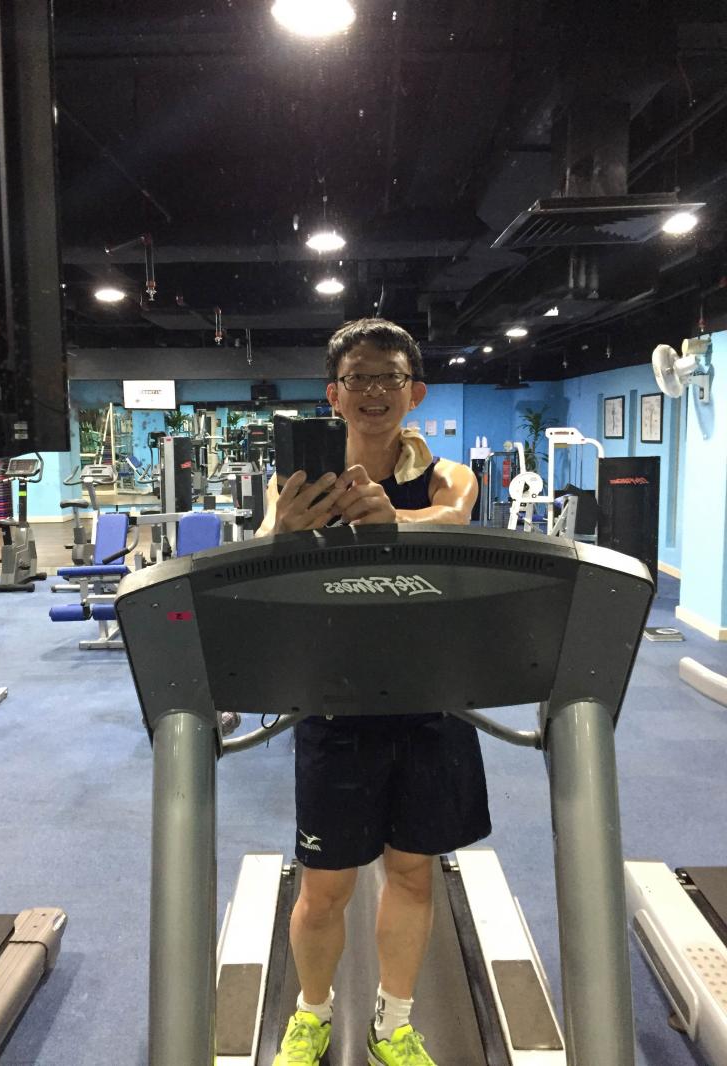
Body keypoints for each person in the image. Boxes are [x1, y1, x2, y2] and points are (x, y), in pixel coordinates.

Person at [257, 318, 491, 1066]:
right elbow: (257, 572)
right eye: (357, 377)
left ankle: (393, 1023)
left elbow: (452, 520)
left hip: (430, 701)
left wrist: (394, 519)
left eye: (389, 376)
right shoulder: (294, 485)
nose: (373, 391)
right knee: (325, 887)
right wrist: (281, 533)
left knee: (415, 875)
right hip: (336, 701)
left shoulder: (450, 476)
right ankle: (312, 1013)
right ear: (334, 395)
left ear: (414, 392)